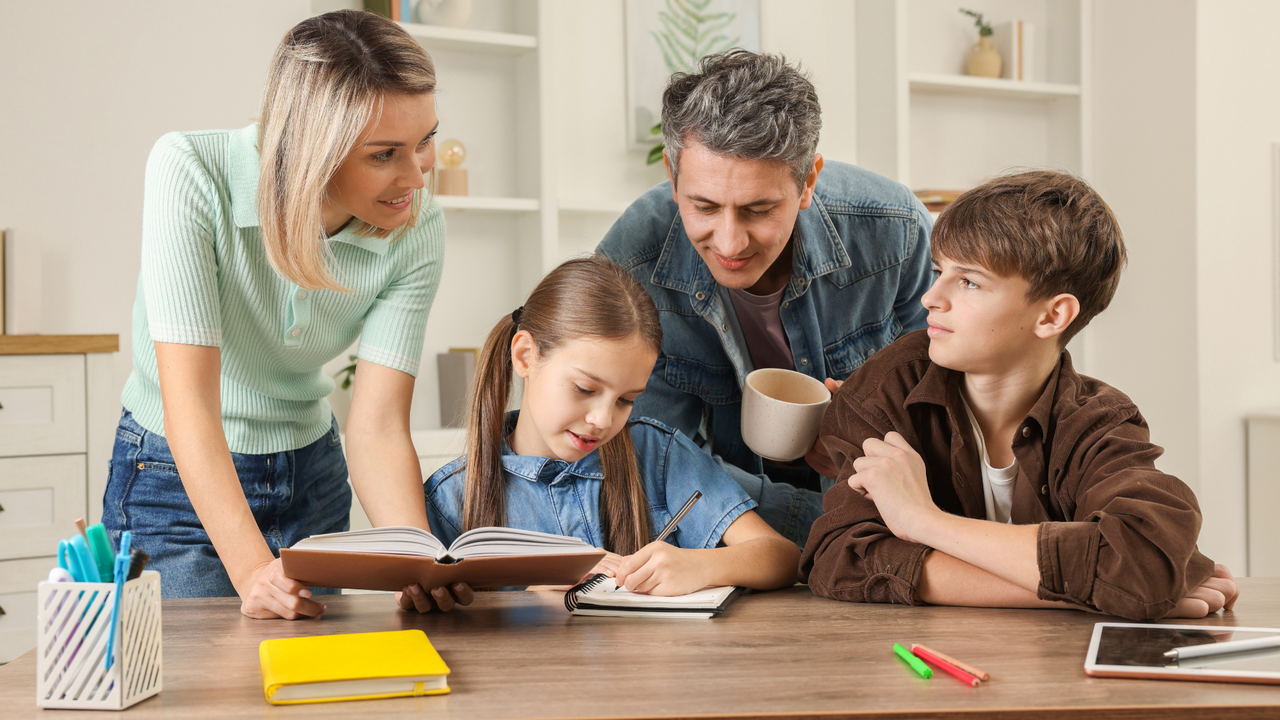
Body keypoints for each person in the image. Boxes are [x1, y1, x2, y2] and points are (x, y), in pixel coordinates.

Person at [104, 10, 451, 619]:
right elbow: (192, 409)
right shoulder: (190, 171)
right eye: (384, 154)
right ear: (314, 150)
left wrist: (416, 559)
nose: (416, 174)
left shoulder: (417, 226)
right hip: (174, 478)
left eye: (424, 141)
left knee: (315, 699)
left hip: (311, 474)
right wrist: (250, 568)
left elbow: (375, 427)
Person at [799, 170, 1240, 620]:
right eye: (939, 271)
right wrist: (1087, 590)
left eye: (968, 282)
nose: (931, 297)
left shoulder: (1099, 420)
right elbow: (840, 558)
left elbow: (1144, 558)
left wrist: (924, 521)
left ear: (1052, 316)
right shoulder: (888, 386)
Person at [598, 50, 933, 548]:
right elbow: (653, 462)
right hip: (737, 533)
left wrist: (866, 434)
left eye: (759, 210)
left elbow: (951, 410)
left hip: (881, 515)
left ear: (808, 182)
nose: (730, 244)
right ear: (672, 175)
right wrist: (815, 526)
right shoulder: (631, 263)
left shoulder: (893, 231)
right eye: (704, 207)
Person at [402, 256, 799, 613]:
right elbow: (422, 611)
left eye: (626, 400)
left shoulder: (659, 456)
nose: (602, 419)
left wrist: (701, 565)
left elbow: (780, 557)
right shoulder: (452, 497)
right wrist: (522, 600)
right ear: (525, 356)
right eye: (585, 389)